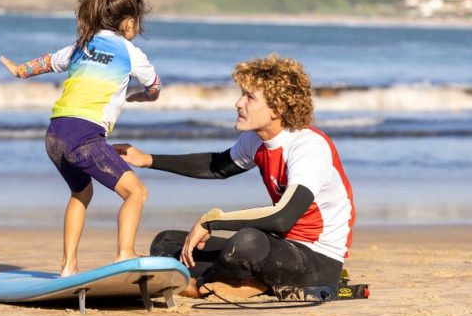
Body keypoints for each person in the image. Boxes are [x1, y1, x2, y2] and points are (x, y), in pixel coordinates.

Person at [115, 54, 355, 300]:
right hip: (278, 250)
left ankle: (203, 287)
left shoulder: (308, 147)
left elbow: (283, 218)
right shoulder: (256, 139)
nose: (238, 103)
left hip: (318, 261)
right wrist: (148, 159)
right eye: (242, 94)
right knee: (166, 243)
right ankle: (248, 282)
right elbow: (217, 166)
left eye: (250, 97)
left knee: (246, 242)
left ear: (278, 108)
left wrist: (211, 222)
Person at [0, 0, 161, 277]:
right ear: (128, 23)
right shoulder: (130, 52)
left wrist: (20, 71)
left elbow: (47, 62)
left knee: (80, 194)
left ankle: (68, 266)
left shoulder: (80, 45)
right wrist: (141, 97)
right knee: (136, 193)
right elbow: (154, 87)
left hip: (55, 135)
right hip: (84, 135)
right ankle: (125, 253)